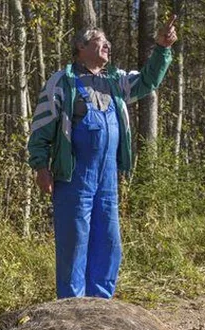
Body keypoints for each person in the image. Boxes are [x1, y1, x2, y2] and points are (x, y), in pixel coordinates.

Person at [27, 16, 178, 299]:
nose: (108, 45)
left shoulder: (115, 80)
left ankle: (100, 305)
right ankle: (72, 307)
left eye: (108, 41)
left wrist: (161, 48)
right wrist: (40, 166)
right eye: (100, 40)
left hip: (107, 179)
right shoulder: (62, 82)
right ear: (81, 47)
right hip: (73, 177)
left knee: (108, 242)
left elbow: (147, 81)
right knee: (74, 243)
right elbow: (42, 126)